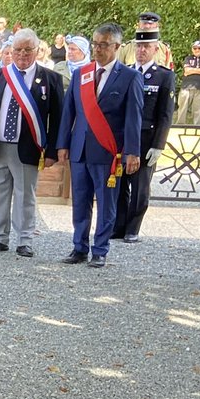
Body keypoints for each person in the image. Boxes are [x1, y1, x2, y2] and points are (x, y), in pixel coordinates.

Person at [56, 22, 144, 268]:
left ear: (116, 46)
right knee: (80, 202)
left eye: (103, 45)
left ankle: (100, 249)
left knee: (106, 203)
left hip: (108, 152)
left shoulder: (130, 77)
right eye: (95, 44)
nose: (97, 49)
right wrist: (62, 144)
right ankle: (79, 247)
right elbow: (69, 113)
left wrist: (132, 152)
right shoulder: (80, 74)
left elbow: (133, 118)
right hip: (80, 149)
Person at [0, 27, 63, 257]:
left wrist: (52, 151)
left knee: (25, 195)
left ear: (37, 51)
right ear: (11, 50)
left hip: (28, 147)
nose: (22, 54)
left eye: (28, 50)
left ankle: (25, 240)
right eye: (18, 50)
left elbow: (58, 119)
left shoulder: (50, 79)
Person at [114, 29, 176, 243]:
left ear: (155, 49)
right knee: (119, 184)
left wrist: (159, 144)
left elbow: (165, 114)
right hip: (123, 139)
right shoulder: (124, 71)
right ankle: (119, 226)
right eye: (138, 46)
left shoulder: (164, 76)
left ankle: (133, 228)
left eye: (146, 47)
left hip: (146, 139)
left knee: (140, 187)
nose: (141, 50)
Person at [177, 40, 200, 124]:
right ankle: (180, 127)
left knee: (198, 110)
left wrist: (193, 70)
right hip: (186, 87)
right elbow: (187, 71)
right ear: (192, 49)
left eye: (199, 48)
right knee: (182, 108)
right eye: (194, 48)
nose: (197, 50)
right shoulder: (188, 58)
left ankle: (197, 128)